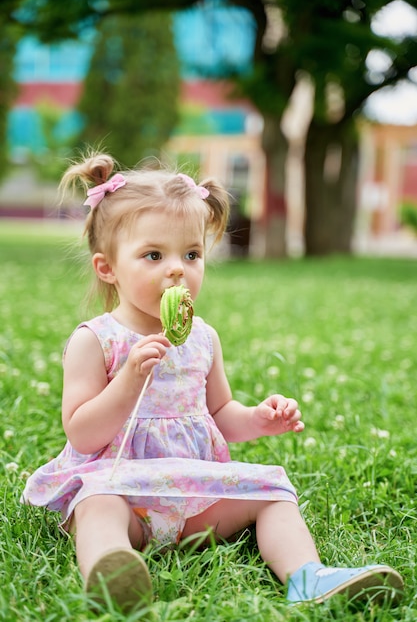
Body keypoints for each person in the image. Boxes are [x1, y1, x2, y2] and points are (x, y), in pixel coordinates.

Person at [23, 152, 403, 614]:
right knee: (96, 505)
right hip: (122, 488)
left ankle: (307, 575)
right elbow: (81, 433)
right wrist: (127, 380)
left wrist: (259, 419)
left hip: (194, 494)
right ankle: (113, 569)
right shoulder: (96, 341)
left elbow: (221, 415)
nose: (177, 269)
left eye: (192, 254)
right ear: (107, 268)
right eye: (153, 255)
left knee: (274, 494)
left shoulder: (202, 338)